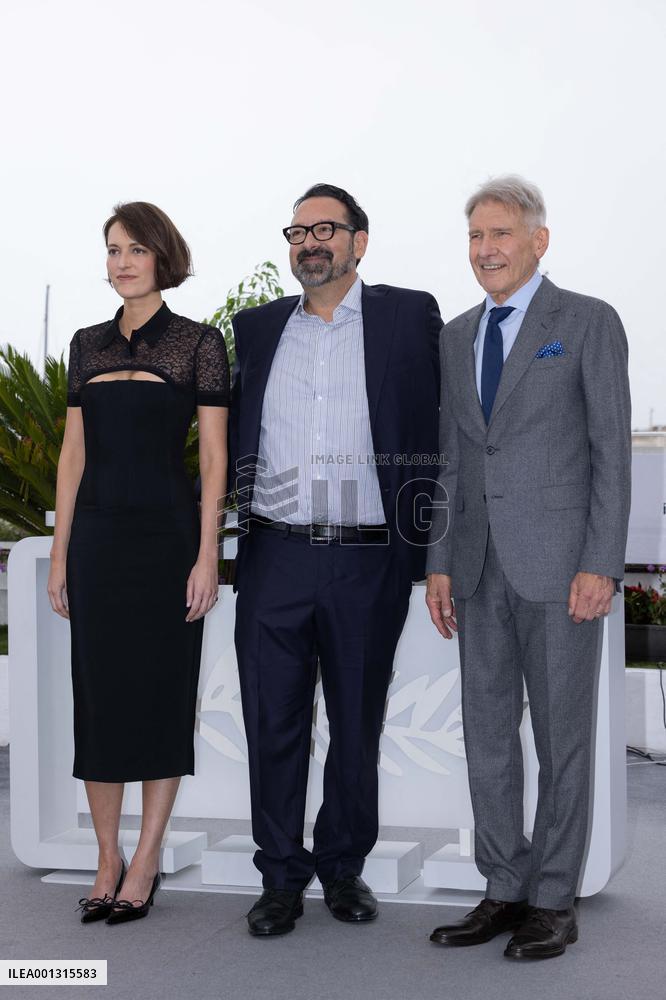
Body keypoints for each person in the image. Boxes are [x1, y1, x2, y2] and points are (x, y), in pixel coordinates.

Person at [425, 175, 631, 959]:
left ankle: (552, 899)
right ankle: (504, 886)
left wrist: (600, 562)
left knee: (561, 742)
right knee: (488, 742)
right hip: (477, 571)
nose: (486, 250)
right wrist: (440, 561)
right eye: (475, 236)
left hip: (561, 571)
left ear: (538, 241)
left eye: (500, 234)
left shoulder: (586, 322)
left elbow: (612, 452)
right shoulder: (455, 336)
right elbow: (451, 458)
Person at [229, 183, 442, 936]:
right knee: (272, 724)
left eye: (325, 228)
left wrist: (434, 547)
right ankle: (280, 877)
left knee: (356, 725)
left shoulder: (407, 316)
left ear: (359, 241)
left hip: (367, 560)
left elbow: (442, 427)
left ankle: (343, 867)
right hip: (274, 556)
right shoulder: (256, 328)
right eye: (297, 232)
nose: (309, 243)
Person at [48, 202, 229, 925]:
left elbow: (213, 459)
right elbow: (72, 456)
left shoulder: (198, 343)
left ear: (162, 257)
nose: (122, 262)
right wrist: (60, 553)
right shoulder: (85, 344)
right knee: (98, 698)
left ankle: (146, 858)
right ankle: (106, 858)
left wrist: (208, 553)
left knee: (160, 695)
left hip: (166, 543)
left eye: (136, 249)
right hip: (96, 543)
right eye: (113, 249)